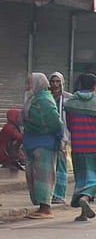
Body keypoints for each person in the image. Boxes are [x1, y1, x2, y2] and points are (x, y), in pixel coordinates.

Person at [23, 72, 63, 219]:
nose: (27, 86)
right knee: (35, 176)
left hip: (44, 144)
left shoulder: (45, 100)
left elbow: (55, 122)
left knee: (43, 177)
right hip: (33, 143)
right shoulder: (34, 98)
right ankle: (41, 206)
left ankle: (46, 208)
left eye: (30, 83)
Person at [65, 73, 96, 221]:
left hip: (77, 145)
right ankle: (86, 196)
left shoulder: (71, 102)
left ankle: (83, 213)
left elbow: (69, 126)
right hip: (93, 146)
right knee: (93, 177)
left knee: (81, 176)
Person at [49, 71, 72, 203]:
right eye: (53, 81)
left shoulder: (68, 98)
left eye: (58, 82)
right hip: (48, 136)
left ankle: (59, 195)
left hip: (63, 136)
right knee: (48, 166)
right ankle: (49, 194)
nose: (55, 84)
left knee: (61, 167)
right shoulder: (46, 97)